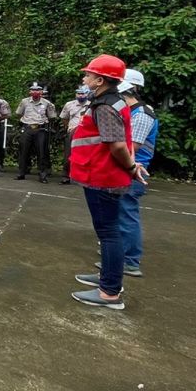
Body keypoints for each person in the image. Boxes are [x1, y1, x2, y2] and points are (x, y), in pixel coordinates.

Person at [70, 54, 148, 310]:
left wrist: (130, 166)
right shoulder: (112, 101)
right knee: (108, 231)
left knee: (109, 233)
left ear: (100, 80)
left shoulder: (105, 106)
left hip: (104, 176)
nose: (85, 78)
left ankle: (109, 292)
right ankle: (109, 278)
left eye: (89, 75)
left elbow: (116, 145)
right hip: (102, 174)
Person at [111, 68, 157, 278]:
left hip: (134, 171)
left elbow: (132, 148)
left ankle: (130, 261)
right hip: (124, 169)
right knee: (118, 215)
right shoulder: (132, 112)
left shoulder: (142, 114)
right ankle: (119, 255)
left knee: (127, 215)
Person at [15, 82, 56, 182]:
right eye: (33, 90)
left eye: (37, 90)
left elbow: (52, 117)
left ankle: (42, 175)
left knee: (42, 153)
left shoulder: (47, 103)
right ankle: (21, 173)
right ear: (30, 91)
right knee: (23, 152)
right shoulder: (24, 102)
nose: (35, 92)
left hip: (40, 130)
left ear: (41, 91)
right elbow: (19, 114)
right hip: (27, 128)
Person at [57, 85, 91, 185]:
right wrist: (70, 128)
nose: (80, 95)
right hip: (72, 132)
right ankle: (66, 176)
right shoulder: (69, 104)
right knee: (68, 155)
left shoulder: (92, 104)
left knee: (85, 156)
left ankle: (83, 177)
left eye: (83, 93)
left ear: (87, 94)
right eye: (78, 93)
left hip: (86, 134)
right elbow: (64, 118)